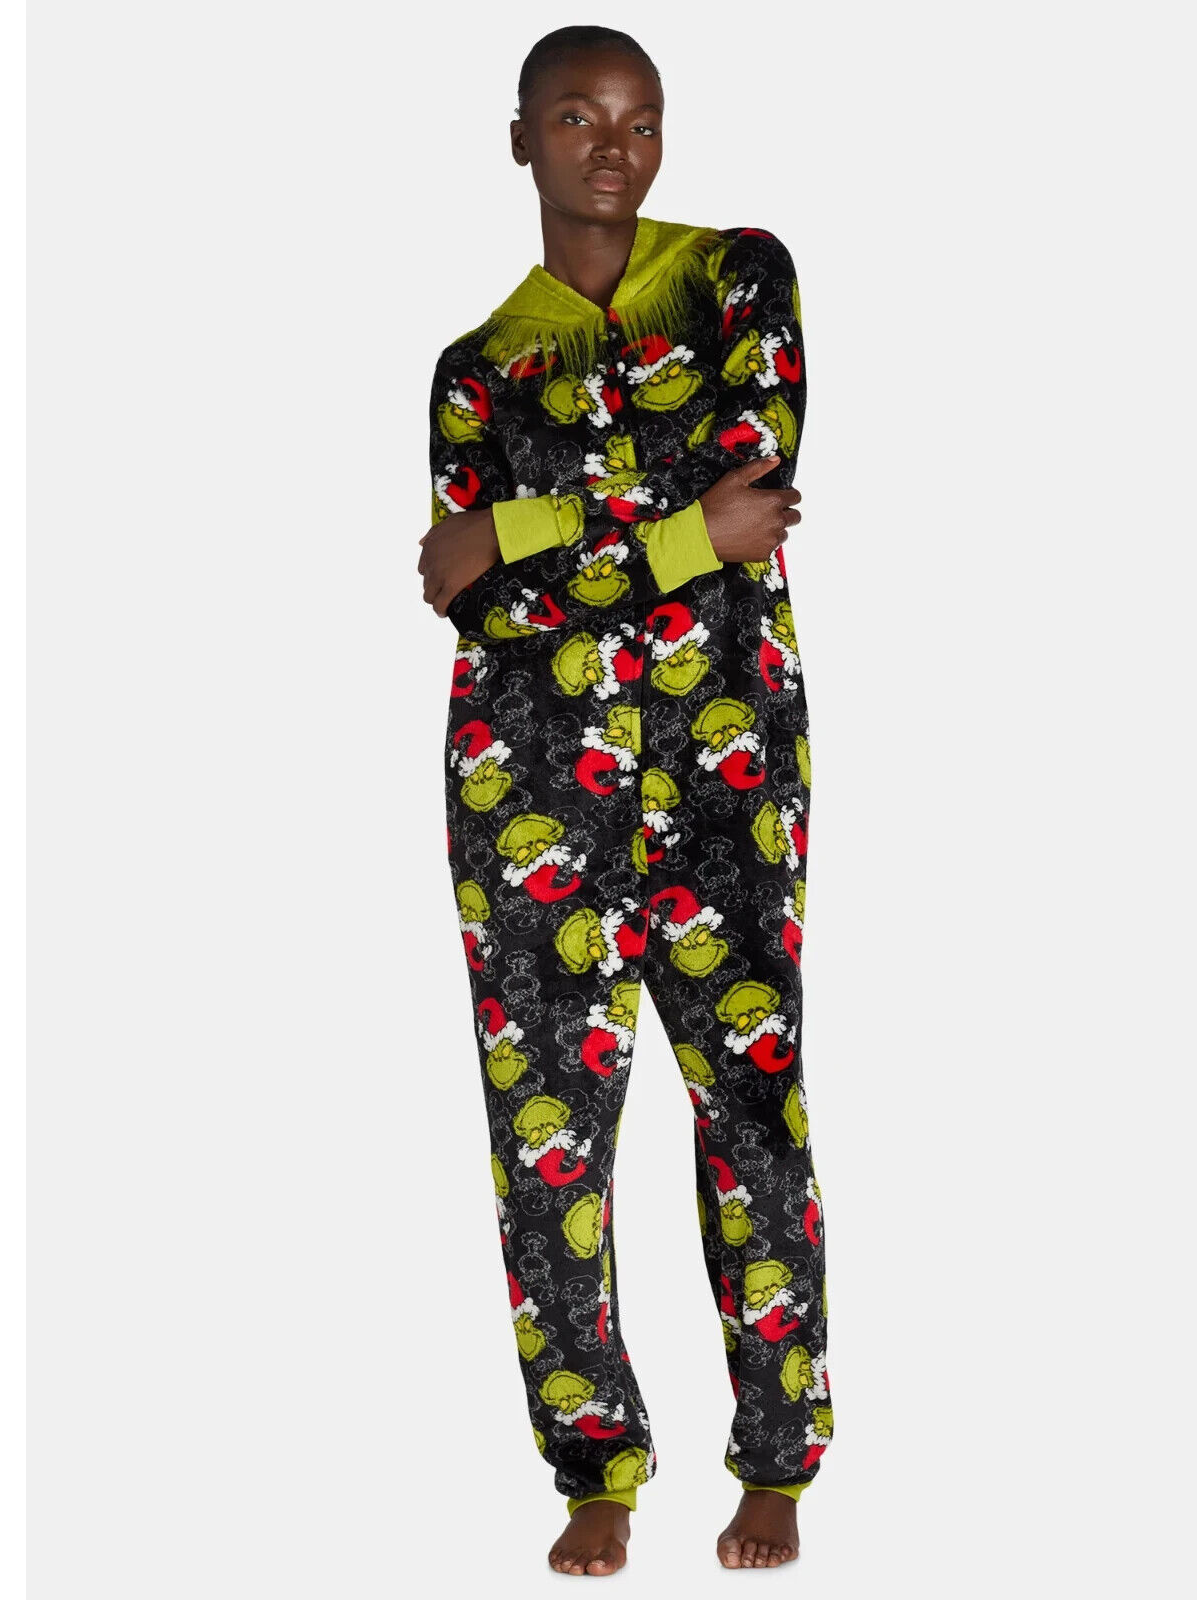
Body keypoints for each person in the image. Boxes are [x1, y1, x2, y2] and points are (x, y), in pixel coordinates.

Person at [416, 24, 831, 1576]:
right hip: (526, 780)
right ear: (521, 138)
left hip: (727, 778)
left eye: (640, 118)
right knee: (549, 1142)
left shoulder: (737, 279)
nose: (614, 144)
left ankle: (777, 1455)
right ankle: (595, 1465)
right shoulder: (478, 369)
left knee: (751, 1106)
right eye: (579, 117)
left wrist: (525, 525)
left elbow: (754, 475)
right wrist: (675, 535)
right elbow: (478, 601)